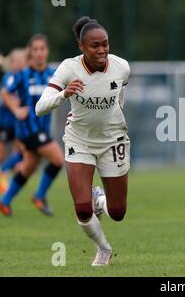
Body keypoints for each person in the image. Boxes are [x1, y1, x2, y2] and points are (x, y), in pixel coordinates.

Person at [35, 16, 131, 266]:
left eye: (105, 44)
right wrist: (64, 94)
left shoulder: (121, 67)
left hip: (113, 141)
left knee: (118, 213)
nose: (102, 50)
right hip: (79, 142)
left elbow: (119, 96)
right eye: (94, 46)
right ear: (81, 47)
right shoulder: (69, 68)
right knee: (82, 209)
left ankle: (100, 199)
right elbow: (39, 107)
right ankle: (104, 249)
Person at [0, 34, 64, 216]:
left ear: (47, 51)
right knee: (58, 159)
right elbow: (5, 92)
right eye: (36, 49)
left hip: (42, 129)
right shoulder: (22, 75)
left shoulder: (52, 74)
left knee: (28, 167)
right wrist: (16, 109)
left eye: (42, 49)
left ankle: (4, 201)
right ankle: (39, 196)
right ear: (30, 52)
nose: (39, 53)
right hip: (28, 130)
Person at [0, 48, 27, 198]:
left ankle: (1, 171)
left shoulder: (23, 77)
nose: (23, 62)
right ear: (13, 62)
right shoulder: (9, 77)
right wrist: (19, 105)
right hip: (2, 123)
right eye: (20, 60)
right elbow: (6, 98)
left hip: (15, 124)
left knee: (23, 151)